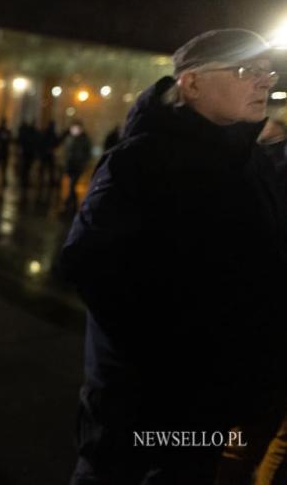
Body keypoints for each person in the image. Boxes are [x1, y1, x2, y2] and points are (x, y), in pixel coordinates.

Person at [62, 28, 287, 484]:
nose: (265, 81)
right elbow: (92, 266)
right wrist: (182, 349)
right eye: (248, 70)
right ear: (192, 83)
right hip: (141, 406)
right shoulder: (140, 161)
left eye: (268, 71)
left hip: (212, 404)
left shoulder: (253, 163)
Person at [61, 121, 92, 210]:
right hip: (69, 164)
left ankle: (69, 201)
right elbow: (65, 151)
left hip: (78, 165)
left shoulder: (85, 140)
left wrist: (84, 163)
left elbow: (87, 153)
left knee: (73, 184)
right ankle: (72, 201)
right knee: (71, 184)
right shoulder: (69, 138)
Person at [0, 118, 12, 187]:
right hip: (0, 151)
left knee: (3, 167)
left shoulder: (7, 131)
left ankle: (3, 180)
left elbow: (9, 140)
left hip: (4, 152)